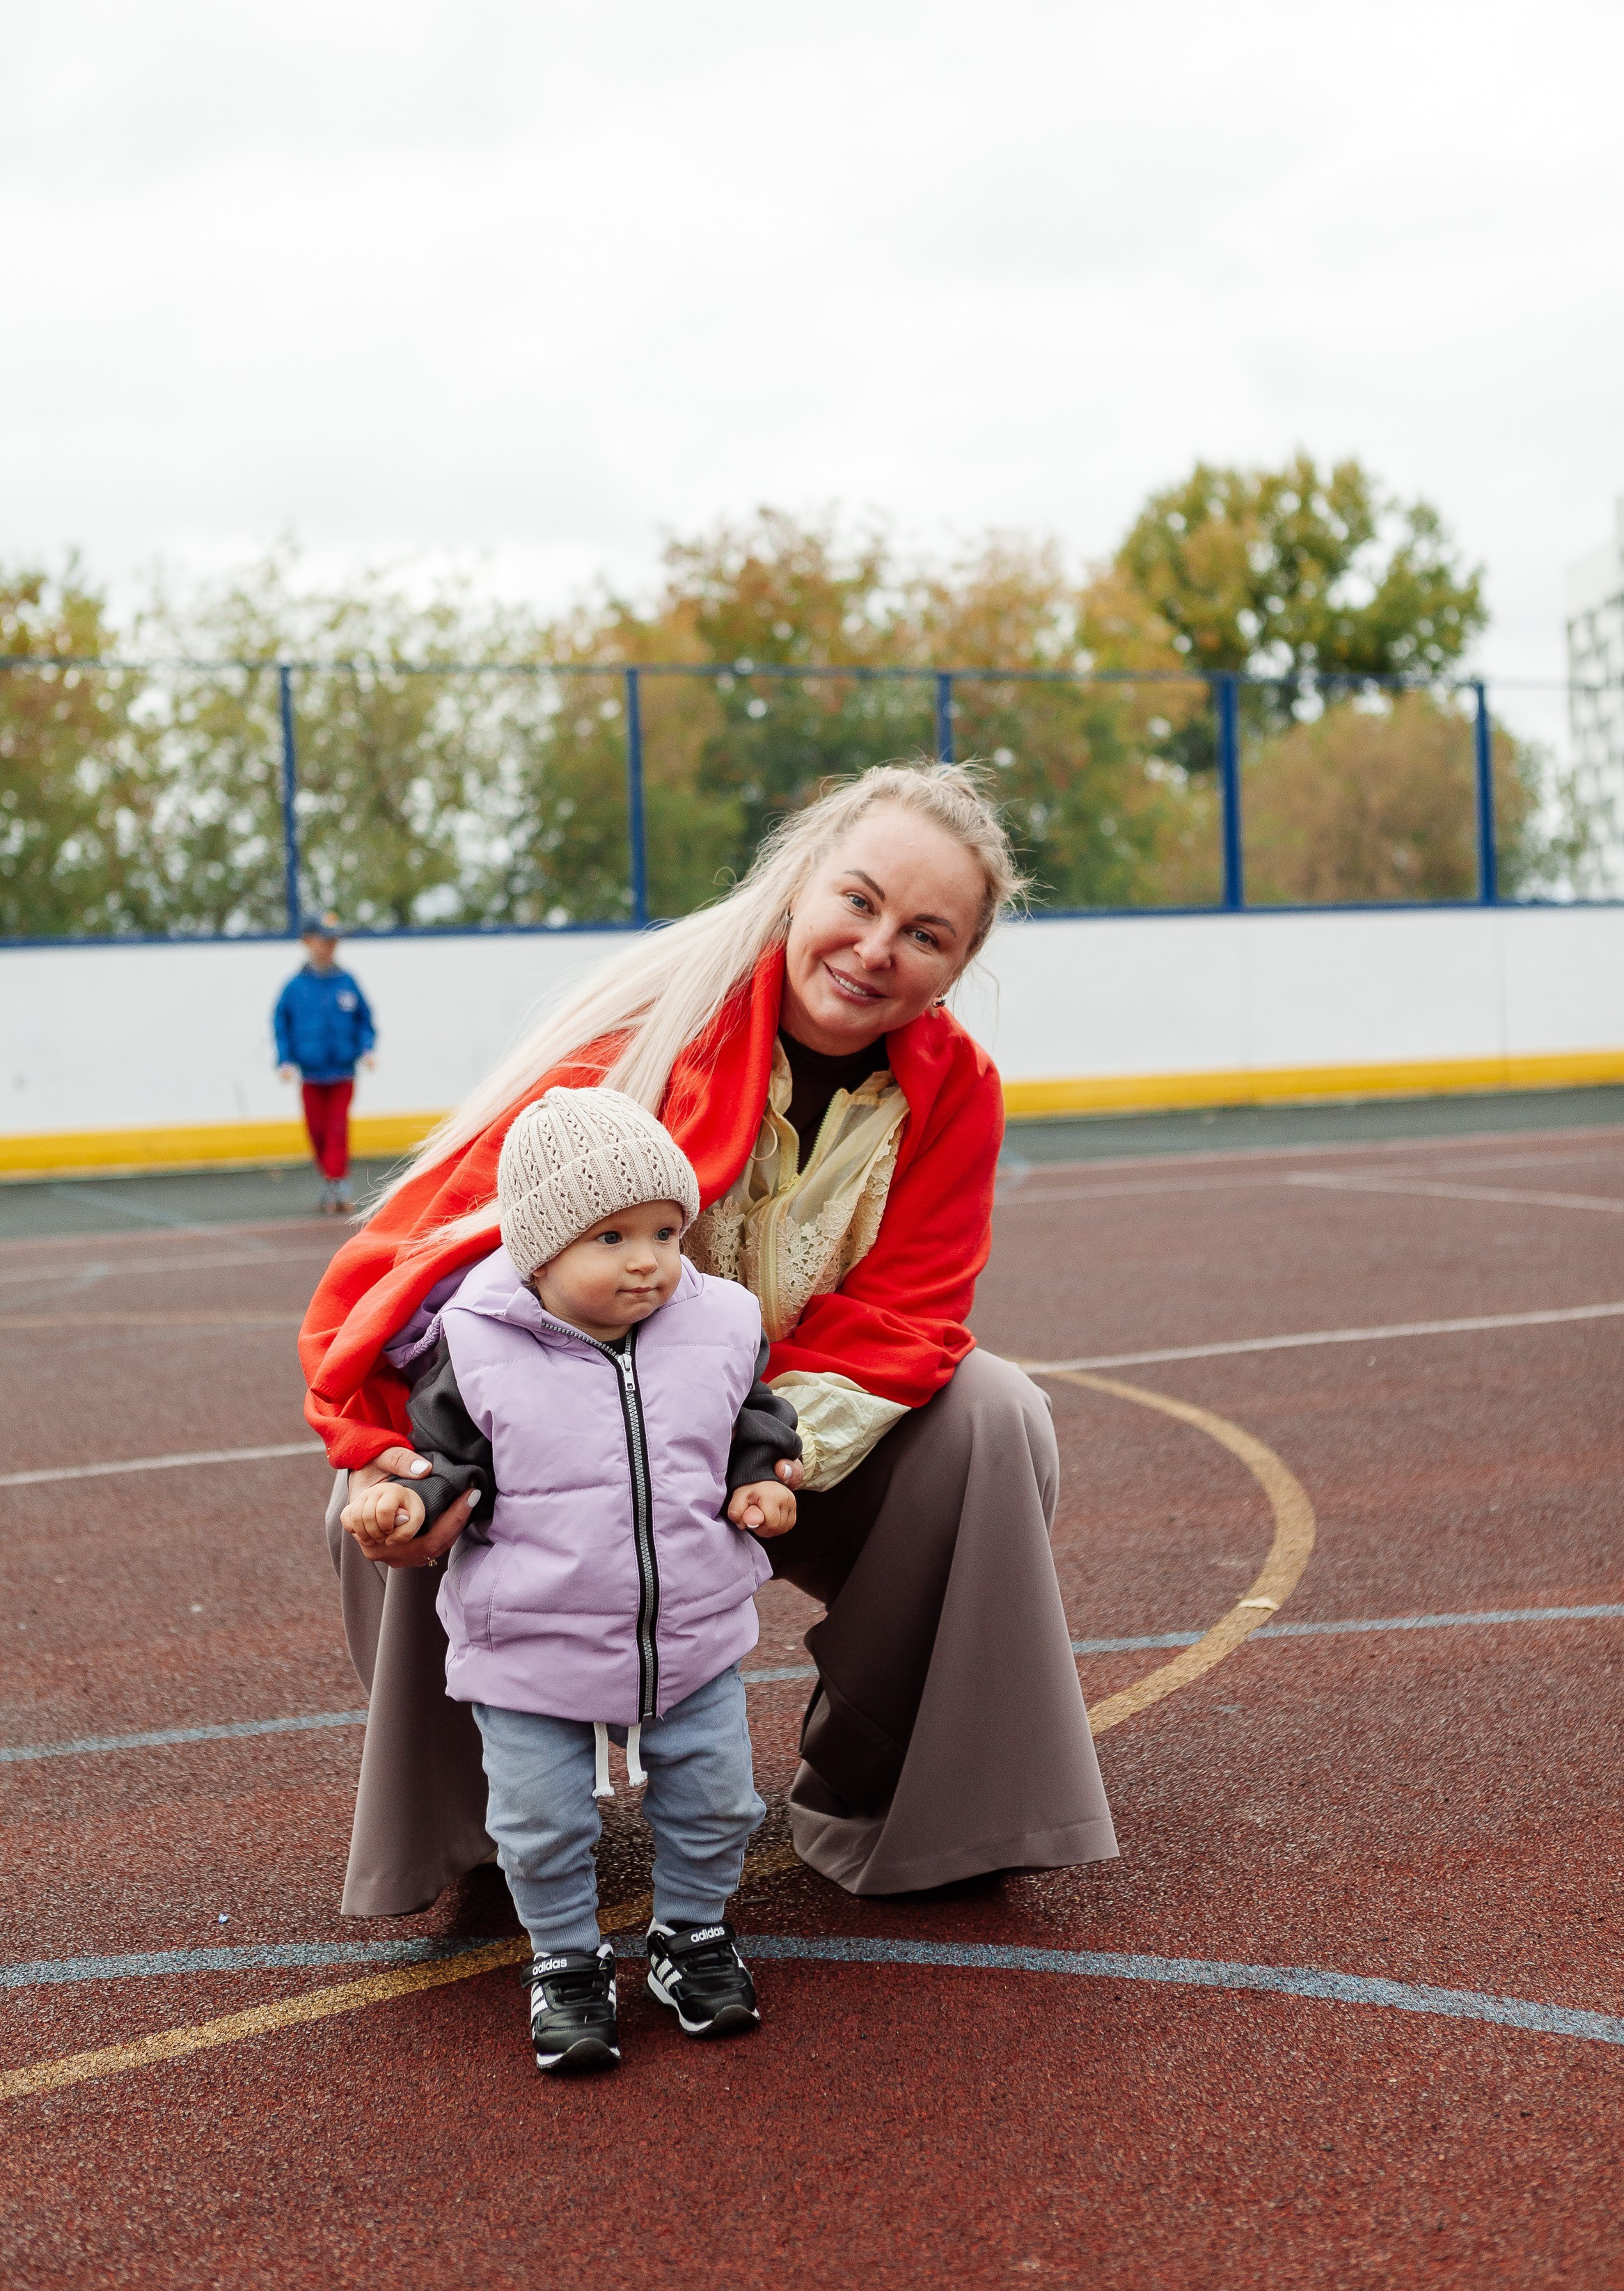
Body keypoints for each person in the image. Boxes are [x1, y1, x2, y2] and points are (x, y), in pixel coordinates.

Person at [303, 760, 1118, 1920]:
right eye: (859, 901)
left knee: (994, 1413)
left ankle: (894, 1788)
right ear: (798, 889)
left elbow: (906, 1319)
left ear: (957, 968)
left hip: (780, 1453)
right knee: (400, 1444)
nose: (878, 946)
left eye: (926, 934)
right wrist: (407, 1461)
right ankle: (488, 1812)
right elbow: (461, 1263)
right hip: (567, 1437)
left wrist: (742, 1456)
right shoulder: (648, 1039)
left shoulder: (954, 1093)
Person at [344, 1084, 801, 2073]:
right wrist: (407, 1508)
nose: (648, 1261)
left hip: (688, 1631)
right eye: (612, 1239)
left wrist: (760, 1477)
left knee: (720, 1802)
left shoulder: (717, 1323)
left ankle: (689, 1936)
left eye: (667, 1232)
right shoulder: (476, 1349)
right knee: (541, 1822)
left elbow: (752, 1414)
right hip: (533, 1642)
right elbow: (445, 1464)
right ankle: (564, 1960)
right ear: (538, 1251)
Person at [274, 915, 376, 1214]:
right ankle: (330, 1179)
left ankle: (337, 1184)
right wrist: (284, 1059)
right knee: (317, 1131)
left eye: (334, 940)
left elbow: (365, 1020)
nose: (329, 946)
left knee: (336, 1127)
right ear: (307, 941)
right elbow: (281, 1023)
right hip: (311, 1073)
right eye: (323, 939)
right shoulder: (295, 987)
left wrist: (366, 1048)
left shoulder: (348, 982)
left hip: (343, 1071)